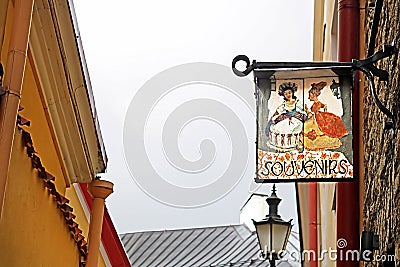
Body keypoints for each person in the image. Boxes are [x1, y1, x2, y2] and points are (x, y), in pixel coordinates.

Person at [304, 81, 348, 151]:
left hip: (317, 118)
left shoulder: (317, 103)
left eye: (310, 95)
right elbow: (324, 106)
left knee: (311, 128)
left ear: (313, 95)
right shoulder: (317, 103)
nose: (309, 97)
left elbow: (322, 107)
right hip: (315, 117)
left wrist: (324, 113)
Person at [266, 82, 308, 151]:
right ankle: (284, 143)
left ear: (292, 93)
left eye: (289, 93)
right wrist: (272, 117)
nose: (288, 95)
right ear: (283, 95)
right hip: (286, 116)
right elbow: (278, 111)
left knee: (299, 126)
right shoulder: (284, 103)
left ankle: (298, 143)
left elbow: (303, 108)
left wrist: (306, 112)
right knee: (279, 126)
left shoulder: (296, 101)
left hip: (295, 116)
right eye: (285, 94)